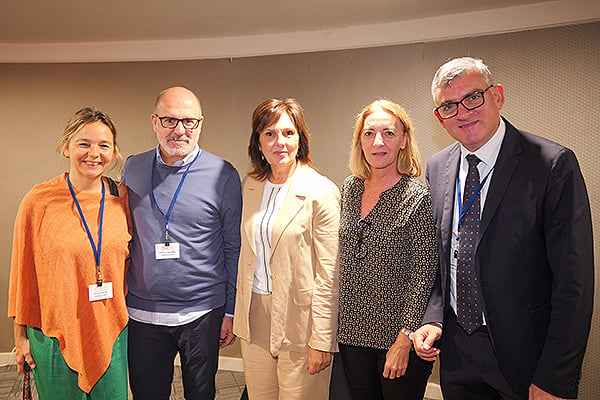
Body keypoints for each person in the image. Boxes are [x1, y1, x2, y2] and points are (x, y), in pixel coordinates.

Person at [413, 57, 594, 400]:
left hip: (527, 357)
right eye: (448, 106)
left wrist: (555, 377)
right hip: (457, 352)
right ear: (439, 117)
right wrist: (433, 318)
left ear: (497, 96)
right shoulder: (437, 167)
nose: (463, 112)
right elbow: (441, 259)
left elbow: (575, 284)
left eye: (473, 97)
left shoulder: (552, 164)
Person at [123, 86, 242, 400]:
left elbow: (233, 247)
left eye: (189, 122)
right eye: (169, 120)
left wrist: (229, 310)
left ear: (200, 123)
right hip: (142, 314)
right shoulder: (132, 168)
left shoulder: (223, 174)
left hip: (202, 313)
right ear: (154, 121)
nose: (179, 130)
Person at [8, 107, 131, 399]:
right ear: (66, 147)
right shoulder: (39, 201)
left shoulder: (122, 199)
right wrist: (20, 337)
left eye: (104, 145)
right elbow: (22, 272)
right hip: (52, 333)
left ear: (113, 152)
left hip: (110, 330)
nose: (94, 153)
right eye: (83, 143)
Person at [233, 98, 340, 400]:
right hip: (254, 318)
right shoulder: (250, 186)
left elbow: (329, 273)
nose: (279, 141)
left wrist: (321, 339)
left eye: (288, 133)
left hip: (300, 322)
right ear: (258, 142)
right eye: (269, 134)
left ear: (300, 138)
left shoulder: (322, 191)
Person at [337, 99, 438, 400]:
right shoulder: (350, 188)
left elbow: (424, 273)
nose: (378, 142)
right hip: (352, 331)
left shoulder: (418, 196)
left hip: (397, 335)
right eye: (369, 134)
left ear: (404, 139)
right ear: (360, 141)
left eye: (388, 133)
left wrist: (404, 339)